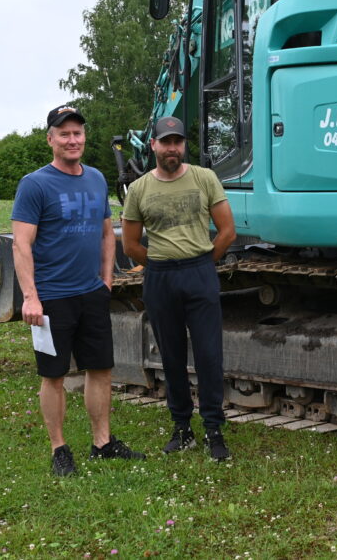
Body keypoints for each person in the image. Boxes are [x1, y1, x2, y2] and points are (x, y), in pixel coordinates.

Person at [12, 105, 146, 477]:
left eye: (78, 133)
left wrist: (107, 278)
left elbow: (107, 233)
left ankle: (102, 443)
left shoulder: (97, 179)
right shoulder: (35, 184)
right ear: (51, 139)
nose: (73, 140)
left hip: (92, 293)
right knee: (53, 375)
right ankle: (59, 449)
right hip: (52, 297)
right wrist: (30, 296)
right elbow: (21, 245)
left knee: (100, 369)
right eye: (65, 133)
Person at [120, 116, 237, 461]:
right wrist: (160, 263)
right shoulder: (140, 188)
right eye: (165, 142)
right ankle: (181, 427)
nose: (172, 148)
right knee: (170, 356)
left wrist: (202, 262)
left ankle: (214, 429)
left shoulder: (205, 178)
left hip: (199, 272)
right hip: (161, 278)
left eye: (178, 142)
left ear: (184, 145)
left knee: (208, 354)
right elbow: (129, 245)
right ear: (153, 145)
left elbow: (227, 231)